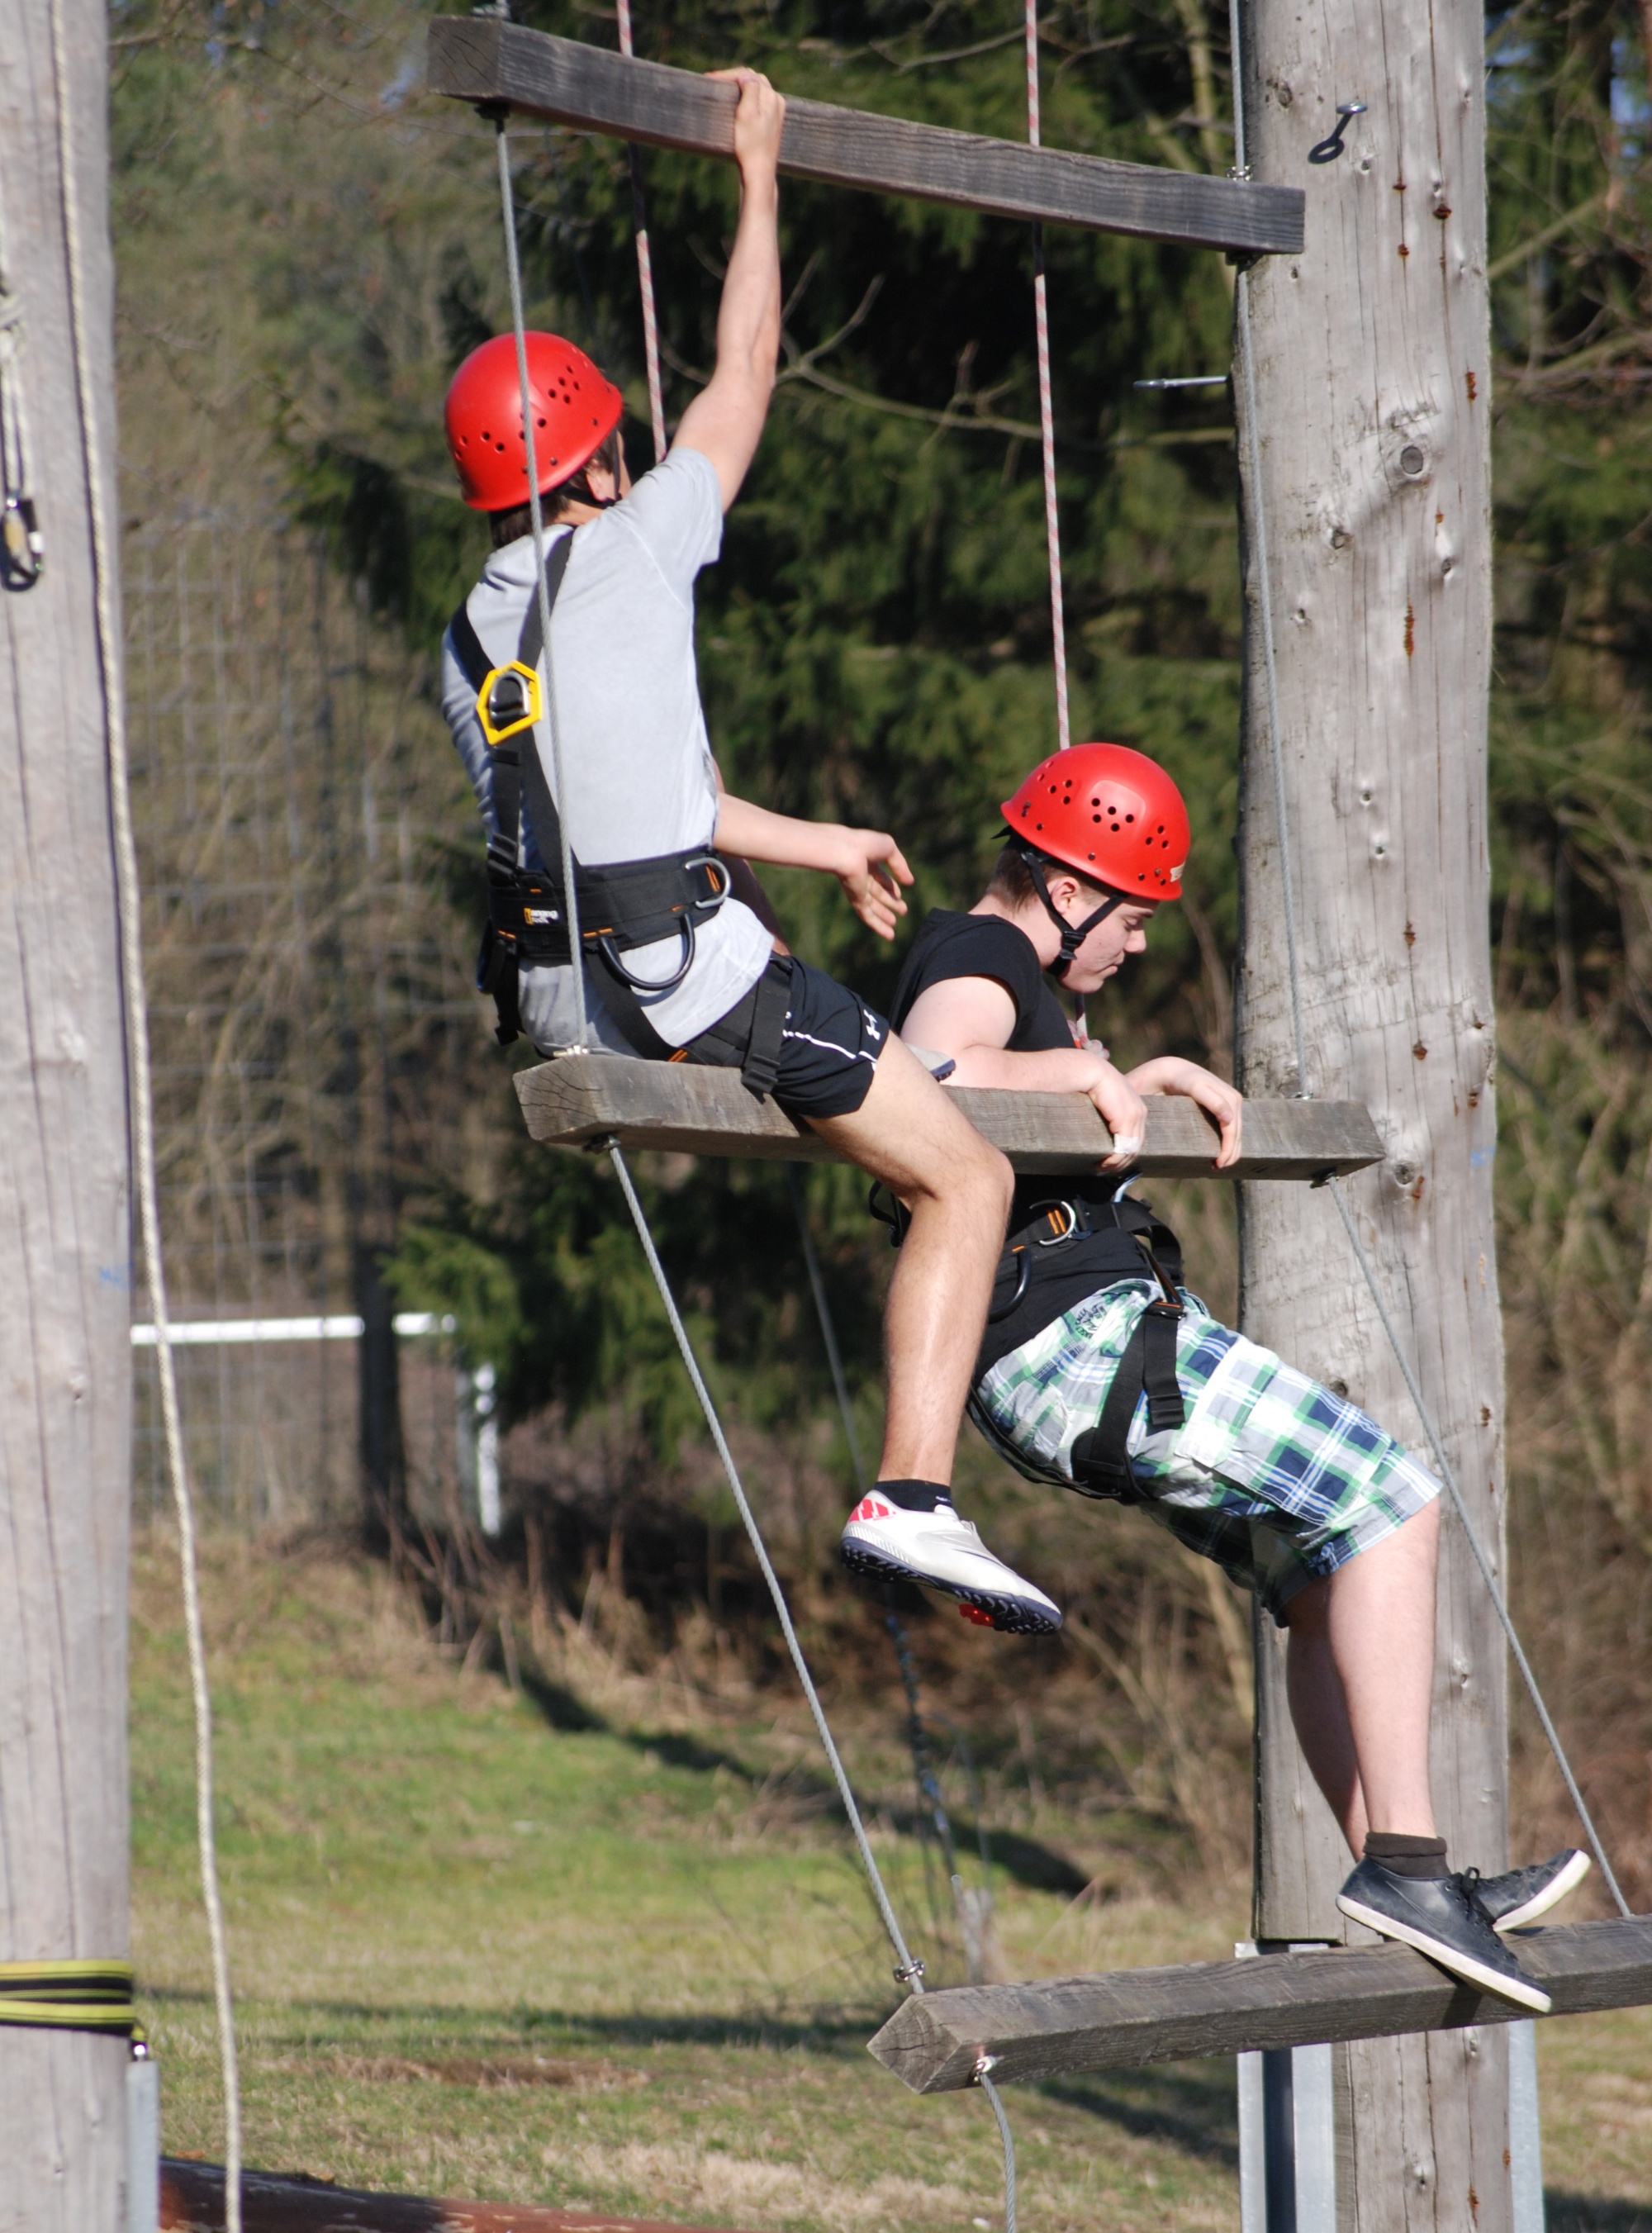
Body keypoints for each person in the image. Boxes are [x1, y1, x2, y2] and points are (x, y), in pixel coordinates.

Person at [439, 67, 1057, 1634]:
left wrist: (826, 839)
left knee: (894, 1122)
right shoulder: (638, 543)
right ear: (590, 465)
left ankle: (920, 1482)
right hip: (691, 985)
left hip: (567, 991)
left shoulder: (466, 640)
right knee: (968, 1178)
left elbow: (646, 810)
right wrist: (759, 173)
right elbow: (750, 364)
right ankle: (916, 1500)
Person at [886, 737, 1589, 2010]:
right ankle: (1410, 1872)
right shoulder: (978, 956)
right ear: (1066, 888)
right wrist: (1092, 1071)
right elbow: (928, 1077)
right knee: (1394, 1502)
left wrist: (1118, 1070)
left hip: (1070, 1355)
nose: (1142, 946)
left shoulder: (1014, 970)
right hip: (1081, 1340)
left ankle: (1398, 1861)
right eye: (1136, 917)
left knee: (1329, 1580)